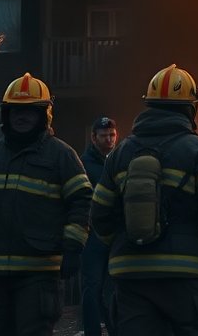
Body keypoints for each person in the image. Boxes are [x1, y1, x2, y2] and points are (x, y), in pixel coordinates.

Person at [90, 65, 198, 336]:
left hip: (130, 277)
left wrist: (125, 242)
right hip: (184, 276)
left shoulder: (120, 153)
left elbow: (99, 214)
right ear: (190, 108)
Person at [0, 74, 93, 336]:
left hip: (37, 276)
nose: (21, 116)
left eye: (29, 111)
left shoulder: (61, 156)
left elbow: (81, 202)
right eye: (15, 110)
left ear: (44, 115)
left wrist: (73, 247)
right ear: (6, 114)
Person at [80, 116, 118, 336]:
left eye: (112, 135)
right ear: (93, 138)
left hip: (113, 236)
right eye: (104, 136)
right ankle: (92, 332)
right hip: (92, 237)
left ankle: (115, 329)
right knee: (92, 287)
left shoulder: (118, 161)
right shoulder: (84, 165)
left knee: (112, 288)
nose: (109, 140)